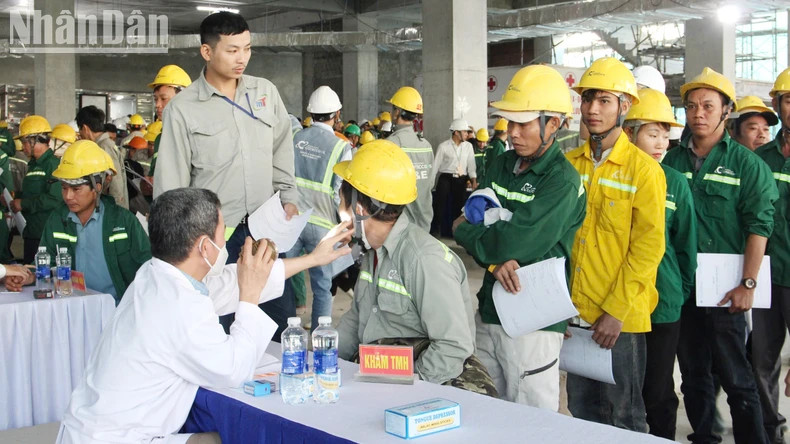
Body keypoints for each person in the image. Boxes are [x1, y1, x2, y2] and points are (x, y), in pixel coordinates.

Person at [55, 187, 353, 444]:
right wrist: (249, 299)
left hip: (97, 430)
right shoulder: (178, 307)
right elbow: (233, 368)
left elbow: (225, 284)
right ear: (204, 246)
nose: (225, 241)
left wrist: (313, 258)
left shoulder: (156, 276)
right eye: (222, 231)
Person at [453, 65, 586, 410]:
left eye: (523, 123)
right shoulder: (500, 164)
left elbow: (515, 241)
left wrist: (466, 232)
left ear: (552, 124)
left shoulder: (562, 181)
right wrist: (491, 254)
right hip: (490, 309)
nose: (512, 132)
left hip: (534, 321)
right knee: (484, 408)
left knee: (530, 422)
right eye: (509, 122)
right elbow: (471, 218)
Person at [663, 67, 777, 444]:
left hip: (725, 290)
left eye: (708, 106)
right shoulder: (671, 164)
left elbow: (759, 228)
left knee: (737, 377)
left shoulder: (748, 166)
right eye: (692, 106)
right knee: (694, 376)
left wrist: (748, 283)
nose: (698, 113)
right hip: (683, 289)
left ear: (726, 111)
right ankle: (704, 437)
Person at [335, 140, 497, 397]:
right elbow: (356, 320)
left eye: (341, 202)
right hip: (379, 379)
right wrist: (323, 360)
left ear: (358, 209)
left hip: (424, 392)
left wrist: (413, 388)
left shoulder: (423, 260)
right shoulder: (372, 253)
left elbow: (453, 345)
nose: (339, 210)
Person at [564, 57, 666, 432]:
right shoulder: (570, 164)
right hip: (575, 312)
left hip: (618, 319)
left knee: (623, 414)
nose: (592, 109)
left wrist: (615, 311)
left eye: (604, 100)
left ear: (625, 106)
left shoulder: (644, 171)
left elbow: (648, 249)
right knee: (581, 408)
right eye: (589, 98)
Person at [154, 11, 298, 262]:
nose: (242, 58)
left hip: (265, 230)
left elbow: (281, 151)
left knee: (275, 301)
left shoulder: (265, 92)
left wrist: (289, 199)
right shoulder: (183, 108)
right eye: (232, 51)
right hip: (213, 236)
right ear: (207, 52)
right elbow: (171, 185)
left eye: (247, 48)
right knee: (219, 301)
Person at [622, 88, 698, 439]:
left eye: (666, 136)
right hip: (620, 301)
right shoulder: (614, 177)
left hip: (662, 304)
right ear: (629, 133)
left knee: (658, 390)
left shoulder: (676, 183)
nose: (661, 143)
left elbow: (686, 249)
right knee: (622, 390)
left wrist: (673, 294)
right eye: (653, 133)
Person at [33, 140, 151, 304]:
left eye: (76, 189)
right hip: (71, 307)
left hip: (116, 310)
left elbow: (147, 269)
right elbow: (45, 262)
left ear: (98, 186)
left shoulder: (123, 222)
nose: (68, 196)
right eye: (64, 187)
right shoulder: (57, 220)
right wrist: (28, 276)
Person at [287, 85, 352, 331]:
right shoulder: (341, 147)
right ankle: (318, 338)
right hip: (323, 225)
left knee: (281, 279)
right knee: (322, 287)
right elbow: (340, 192)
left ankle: (279, 334)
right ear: (336, 114)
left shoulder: (295, 137)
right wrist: (345, 227)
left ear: (310, 113)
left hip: (292, 221)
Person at [751, 67, 790, 444]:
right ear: (778, 104)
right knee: (761, 361)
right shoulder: (760, 159)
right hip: (766, 276)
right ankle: (769, 432)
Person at [10, 116, 62, 264]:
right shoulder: (32, 165)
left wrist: (23, 204)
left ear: (36, 140)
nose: (23, 146)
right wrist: (16, 198)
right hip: (32, 231)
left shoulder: (53, 165)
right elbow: (33, 193)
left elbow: (54, 198)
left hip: (44, 233)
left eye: (25, 142)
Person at [386, 86, 435, 232]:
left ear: (397, 112)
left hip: (400, 225)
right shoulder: (426, 145)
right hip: (424, 223)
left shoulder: (391, 144)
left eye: (392, 108)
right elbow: (430, 183)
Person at [76, 106, 129, 210]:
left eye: (80, 129)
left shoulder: (103, 147)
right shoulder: (104, 144)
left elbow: (115, 182)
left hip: (112, 209)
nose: (80, 134)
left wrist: (115, 211)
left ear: (85, 128)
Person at [146, 65, 192, 181]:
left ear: (184, 98)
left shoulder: (195, 137)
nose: (157, 105)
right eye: (156, 99)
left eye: (163, 98)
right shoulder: (160, 139)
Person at [433, 118, 477, 237]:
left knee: (459, 206)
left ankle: (455, 232)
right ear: (456, 132)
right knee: (440, 204)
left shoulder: (468, 147)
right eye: (464, 131)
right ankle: (436, 230)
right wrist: (430, 184)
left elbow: (471, 166)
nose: (467, 134)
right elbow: (435, 167)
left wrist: (473, 180)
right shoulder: (443, 146)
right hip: (446, 177)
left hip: (461, 178)